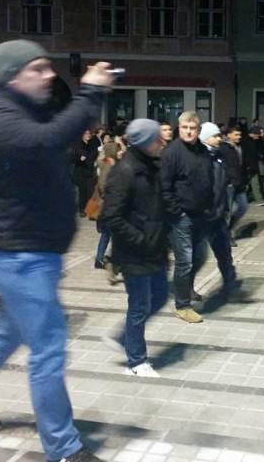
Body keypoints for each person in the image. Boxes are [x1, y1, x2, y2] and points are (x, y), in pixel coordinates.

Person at [0, 39, 114, 462]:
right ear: (12, 76)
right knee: (49, 347)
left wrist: (81, 89)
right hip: (21, 256)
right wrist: (90, 91)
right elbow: (48, 140)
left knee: (7, 334)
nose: (48, 75)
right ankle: (63, 448)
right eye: (38, 69)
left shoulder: (22, 112)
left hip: (30, 253)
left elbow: (56, 122)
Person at [100, 119, 168, 378]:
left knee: (160, 296)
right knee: (139, 305)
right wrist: (140, 239)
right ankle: (137, 362)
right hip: (134, 252)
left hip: (155, 248)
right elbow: (110, 216)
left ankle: (121, 337)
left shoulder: (152, 166)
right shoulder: (125, 171)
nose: (162, 142)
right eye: (157, 138)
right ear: (144, 142)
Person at [160, 111, 214, 324]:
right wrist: (177, 211)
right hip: (181, 217)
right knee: (185, 261)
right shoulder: (172, 152)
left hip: (201, 214)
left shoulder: (202, 150)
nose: (189, 131)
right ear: (179, 128)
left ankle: (184, 287)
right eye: (185, 127)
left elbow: (207, 179)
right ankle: (182, 306)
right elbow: (164, 187)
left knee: (200, 257)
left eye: (193, 128)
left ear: (198, 130)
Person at [199, 123, 242, 296]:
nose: (219, 138)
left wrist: (223, 205)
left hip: (217, 213)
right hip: (202, 215)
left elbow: (220, 183)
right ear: (205, 138)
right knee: (195, 257)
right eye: (215, 136)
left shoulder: (218, 155)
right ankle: (185, 289)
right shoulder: (200, 156)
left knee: (224, 251)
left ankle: (229, 282)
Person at [94, 134, 120, 277]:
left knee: (106, 234)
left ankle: (100, 259)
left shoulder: (104, 163)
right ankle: (112, 262)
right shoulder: (109, 166)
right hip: (109, 205)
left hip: (106, 206)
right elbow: (103, 185)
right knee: (112, 234)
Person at [220, 126, 249, 245]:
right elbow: (222, 167)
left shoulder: (238, 147)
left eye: (240, 135)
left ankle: (227, 230)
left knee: (243, 207)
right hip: (229, 185)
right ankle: (226, 236)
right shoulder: (224, 148)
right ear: (229, 135)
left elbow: (240, 166)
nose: (239, 137)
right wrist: (228, 181)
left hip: (239, 183)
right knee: (227, 211)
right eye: (236, 135)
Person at [71, 129, 99, 217]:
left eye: (89, 133)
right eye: (86, 133)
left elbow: (95, 155)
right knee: (82, 192)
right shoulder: (77, 145)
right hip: (81, 171)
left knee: (91, 192)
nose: (88, 135)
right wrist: (79, 159)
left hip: (90, 171)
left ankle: (91, 211)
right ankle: (82, 210)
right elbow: (71, 158)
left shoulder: (93, 144)